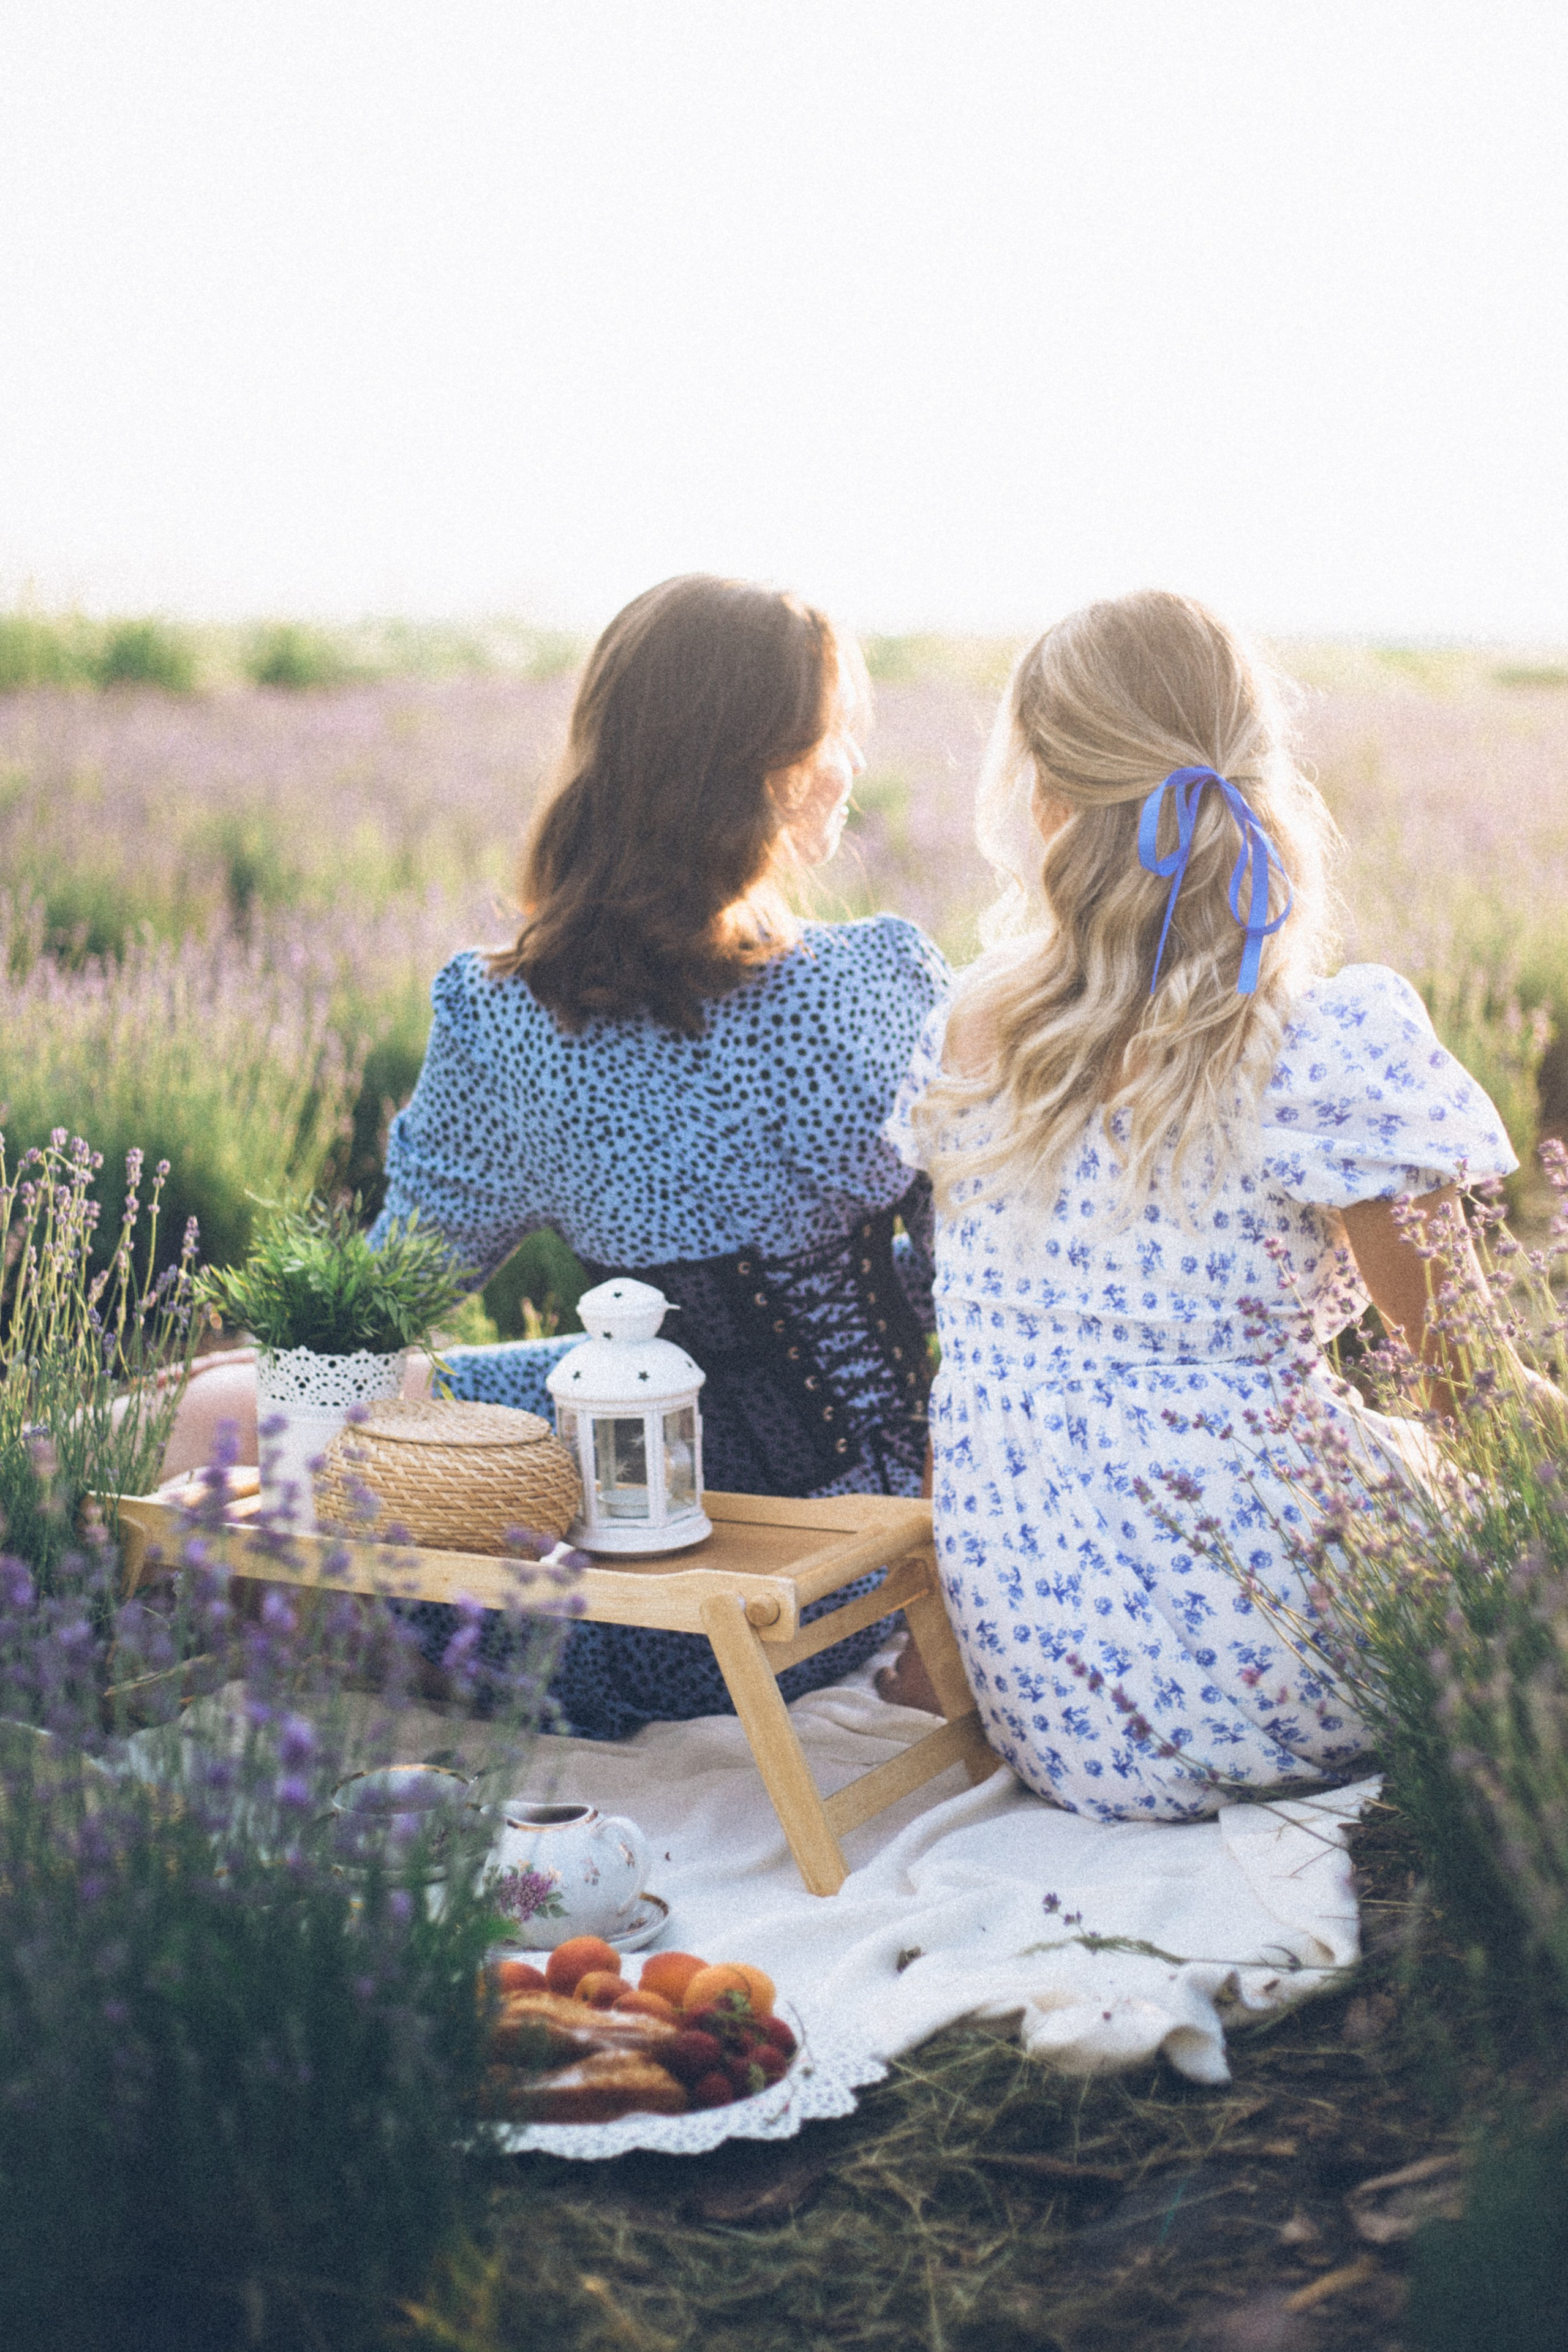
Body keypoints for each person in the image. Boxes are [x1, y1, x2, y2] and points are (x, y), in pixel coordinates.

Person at [884, 588, 1534, 1821]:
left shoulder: (967, 1026)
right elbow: (1468, 1391)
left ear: (1041, 801)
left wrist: (944, 1632)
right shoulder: (1317, 1044)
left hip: (1059, 1705)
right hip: (1278, 1675)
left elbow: (965, 1361)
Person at [342, 574, 948, 1735]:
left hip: (682, 1576)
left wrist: (321, 1417)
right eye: (830, 737)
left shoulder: (514, 1016)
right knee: (272, 1404)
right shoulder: (883, 982)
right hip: (856, 1555)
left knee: (247, 1409)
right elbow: (973, 1288)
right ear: (764, 769)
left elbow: (387, 1293)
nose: (848, 766)